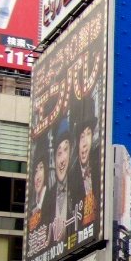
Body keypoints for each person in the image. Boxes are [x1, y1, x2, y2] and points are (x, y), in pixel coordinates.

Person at [68, 97, 99, 229]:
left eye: (89, 134)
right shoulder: (72, 175)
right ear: (76, 141)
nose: (85, 143)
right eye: (82, 136)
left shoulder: (99, 164)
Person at [50, 118, 73, 244]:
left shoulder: (77, 190)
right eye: (59, 153)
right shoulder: (48, 199)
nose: (62, 159)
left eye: (66, 150)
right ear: (54, 158)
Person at [28, 142, 53, 236]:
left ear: (46, 170)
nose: (37, 177)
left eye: (41, 168)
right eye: (35, 171)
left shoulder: (51, 200)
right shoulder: (32, 209)